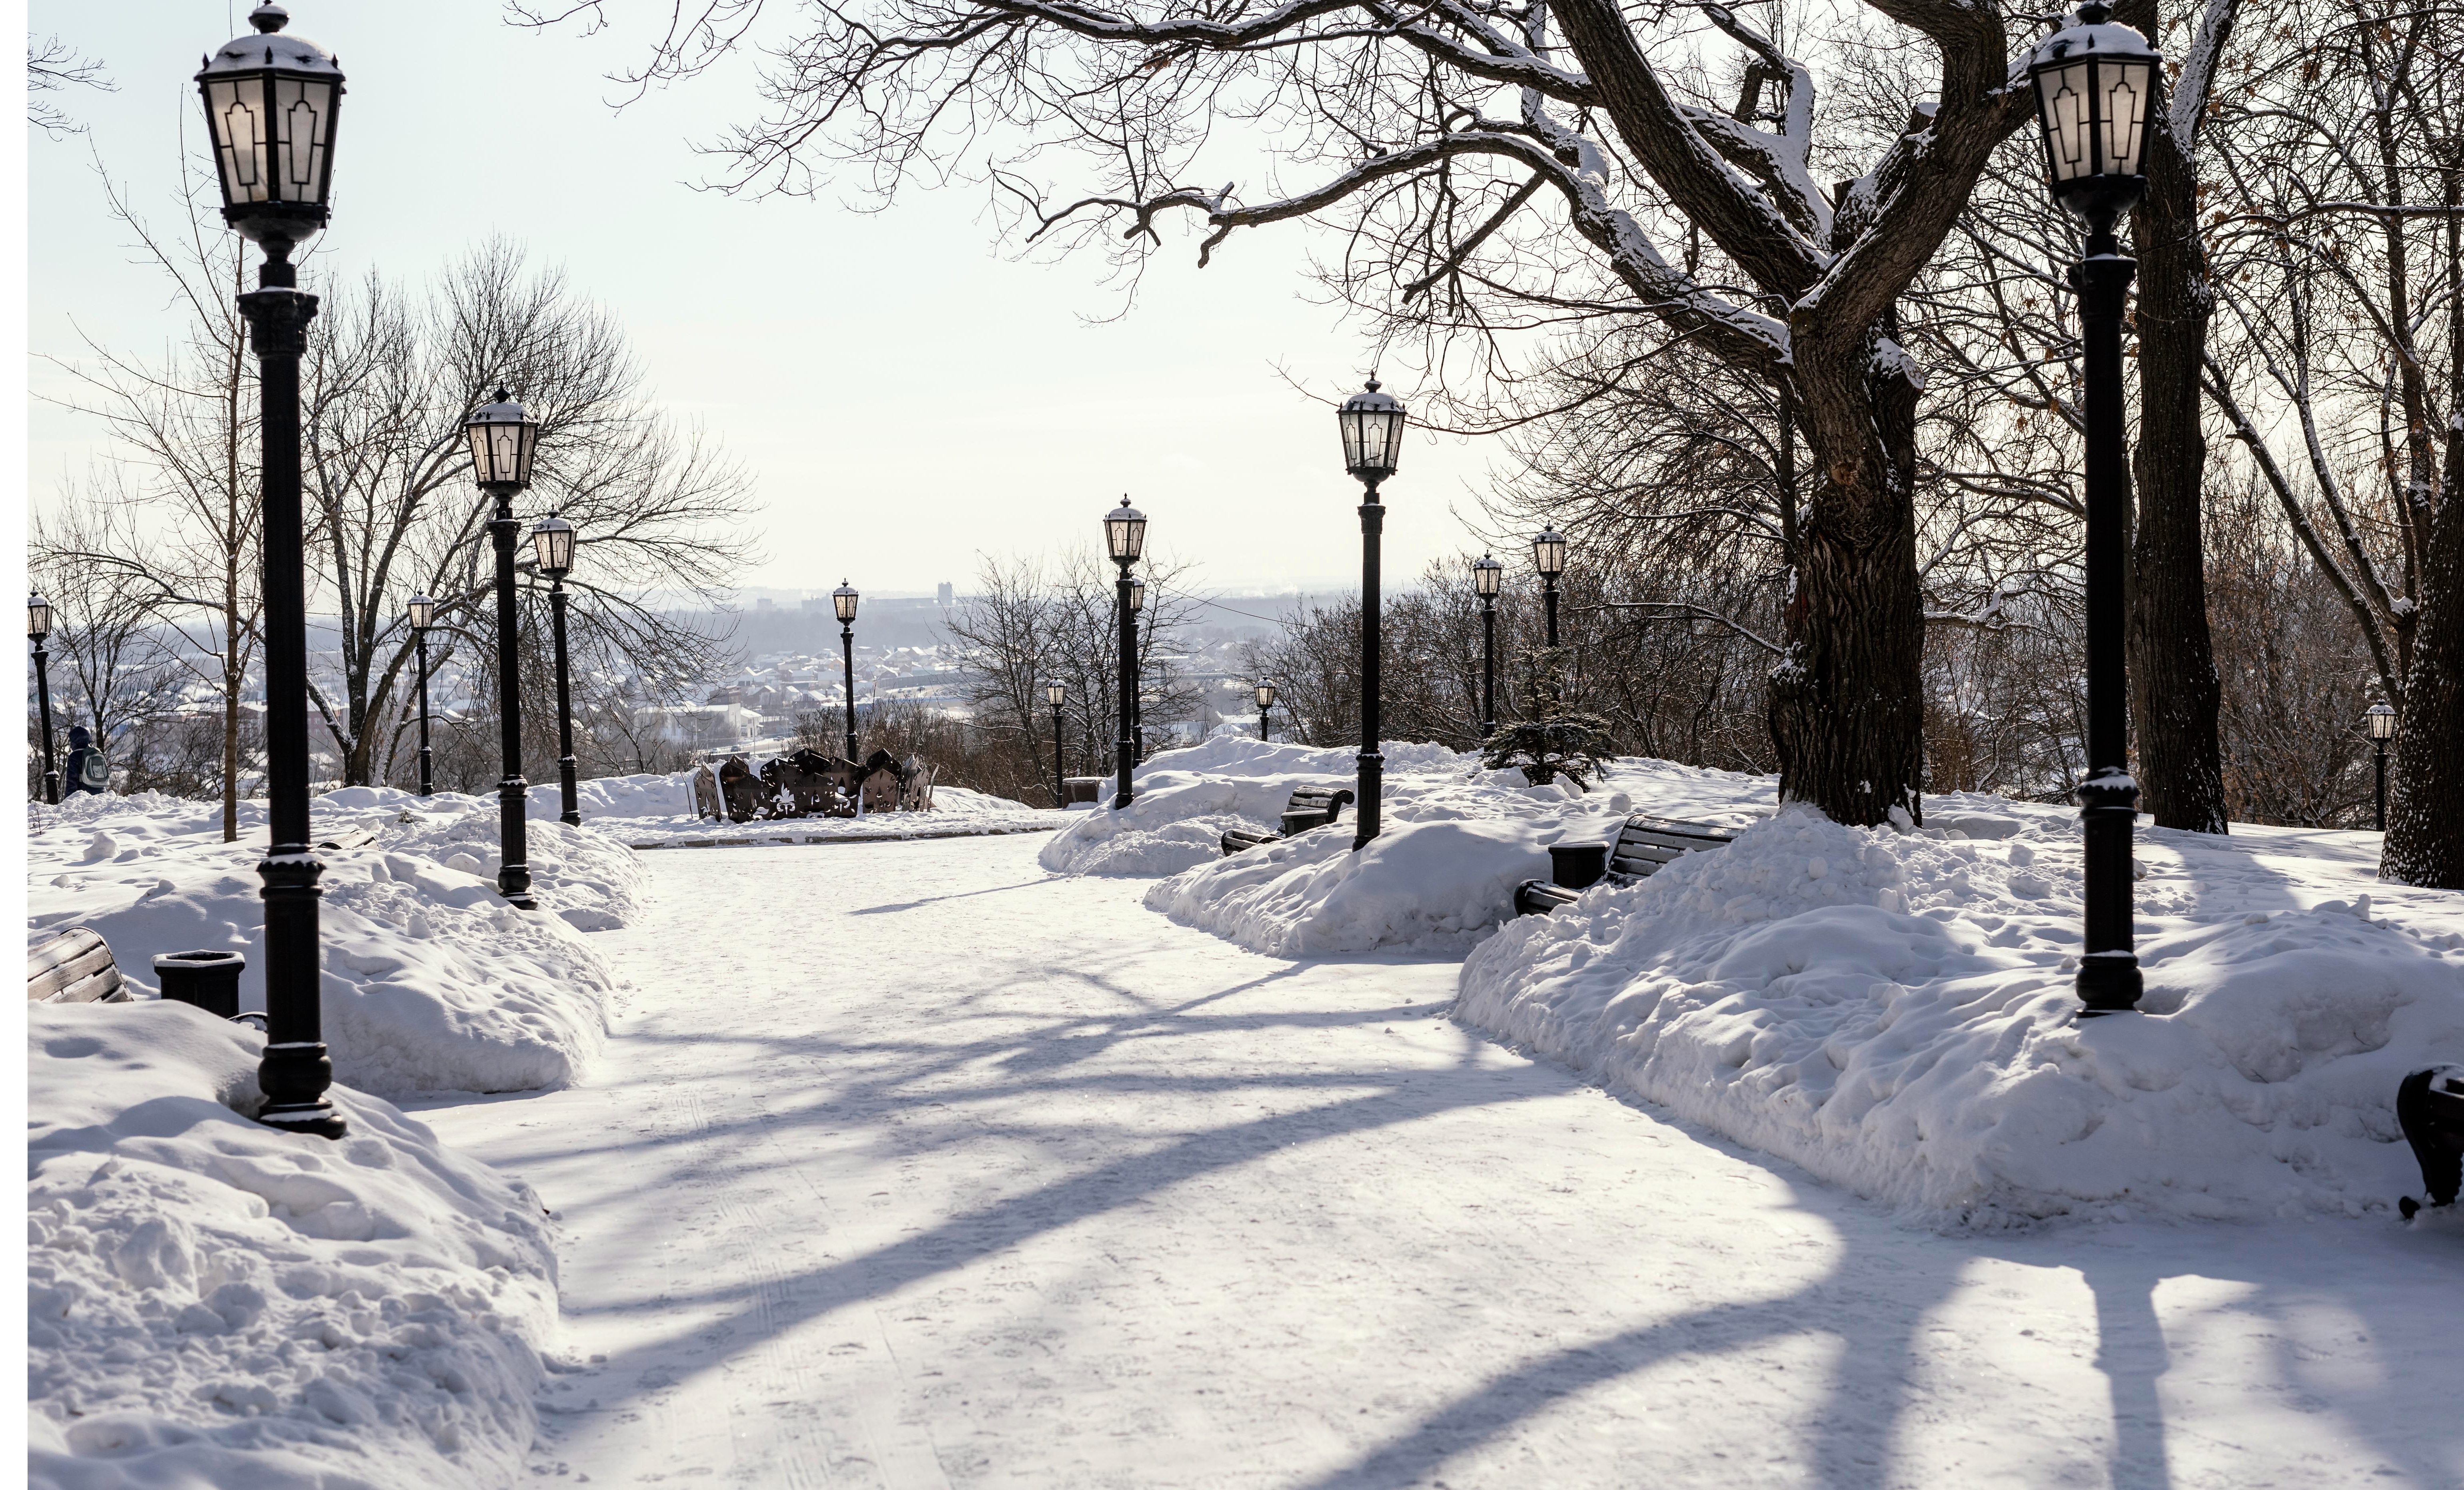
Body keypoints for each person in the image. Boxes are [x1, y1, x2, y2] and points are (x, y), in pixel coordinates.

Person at [61, 725, 110, 797]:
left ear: (75, 741)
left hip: (84, 796)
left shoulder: (74, 756)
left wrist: (67, 802)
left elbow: (71, 782)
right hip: (102, 794)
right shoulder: (96, 753)